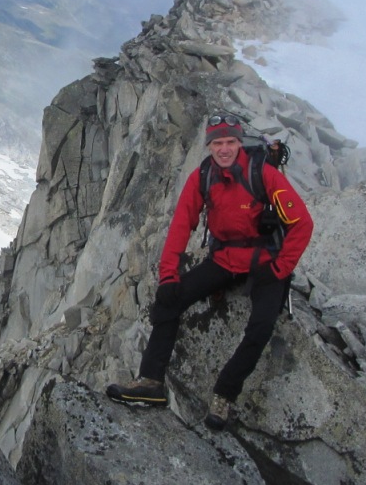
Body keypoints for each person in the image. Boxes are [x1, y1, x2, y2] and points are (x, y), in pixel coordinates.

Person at [107, 114, 314, 429]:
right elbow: (181, 224)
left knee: (261, 327)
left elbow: (302, 223)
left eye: (230, 142)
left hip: (265, 259)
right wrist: (168, 275)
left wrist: (280, 267)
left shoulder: (264, 173)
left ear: (239, 143)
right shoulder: (203, 176)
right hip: (225, 258)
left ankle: (224, 396)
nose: (224, 149)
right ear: (209, 146)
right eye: (218, 143)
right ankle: (151, 382)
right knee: (168, 301)